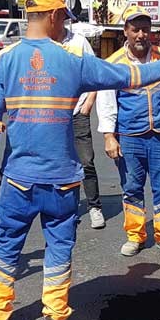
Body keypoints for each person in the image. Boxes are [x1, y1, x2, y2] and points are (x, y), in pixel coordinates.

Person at [0, 0, 160, 320]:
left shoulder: (4, 60)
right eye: (64, 17)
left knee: (6, 249)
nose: (65, 24)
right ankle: (54, 317)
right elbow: (131, 77)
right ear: (51, 16)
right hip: (62, 182)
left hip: (17, 181)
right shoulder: (73, 63)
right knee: (59, 249)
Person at [97, 5, 160, 259]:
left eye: (145, 30)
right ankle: (135, 236)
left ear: (151, 33)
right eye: (135, 29)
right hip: (129, 137)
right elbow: (106, 101)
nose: (141, 35)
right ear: (125, 32)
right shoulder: (114, 63)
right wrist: (109, 136)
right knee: (131, 187)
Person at [53, 24, 105, 229]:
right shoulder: (46, 42)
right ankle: (67, 210)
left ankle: (95, 207)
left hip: (78, 112)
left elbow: (94, 72)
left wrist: (89, 102)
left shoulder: (78, 41)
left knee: (86, 161)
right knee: (61, 163)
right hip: (55, 114)